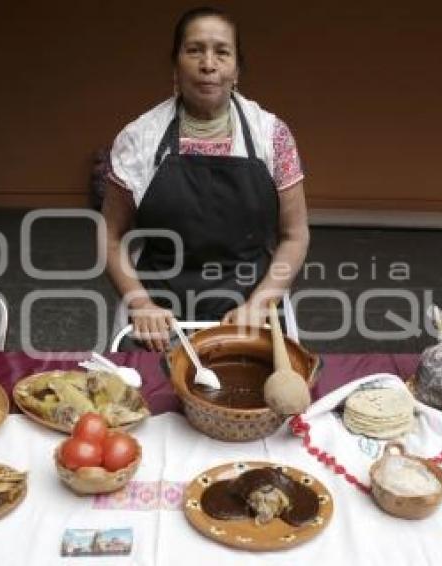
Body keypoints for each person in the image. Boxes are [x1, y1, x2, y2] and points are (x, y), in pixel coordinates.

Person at [103, 6, 309, 352]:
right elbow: (108, 236)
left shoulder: (271, 136)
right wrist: (141, 304)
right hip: (160, 313)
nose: (208, 64)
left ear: (236, 68)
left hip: (249, 308)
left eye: (222, 52)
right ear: (176, 63)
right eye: (194, 50)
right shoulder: (138, 138)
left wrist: (260, 303)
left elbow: (295, 234)